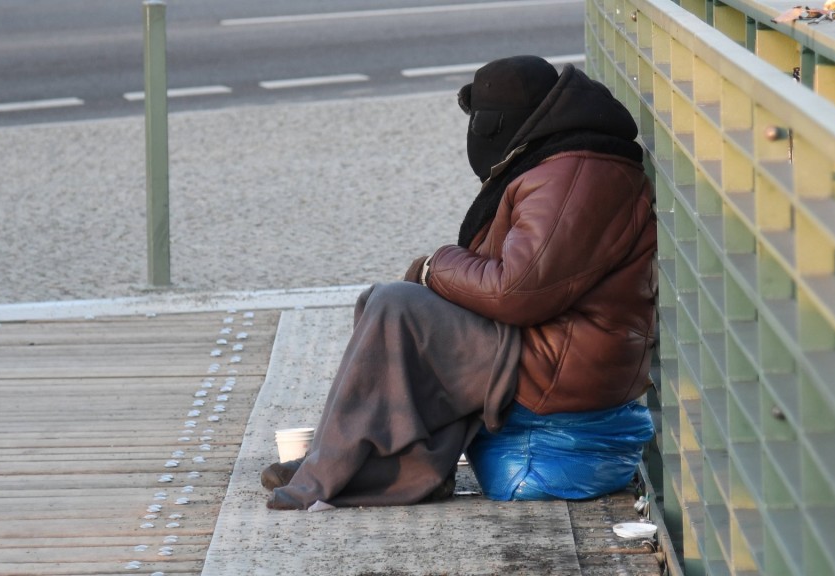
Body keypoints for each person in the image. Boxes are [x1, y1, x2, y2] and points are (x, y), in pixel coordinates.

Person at [263, 55, 657, 511]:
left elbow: (516, 291)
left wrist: (436, 267)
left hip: (562, 366)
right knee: (388, 304)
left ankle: (337, 470)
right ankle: (345, 462)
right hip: (552, 348)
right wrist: (436, 280)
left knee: (397, 307)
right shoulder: (558, 161)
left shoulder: (576, 173)